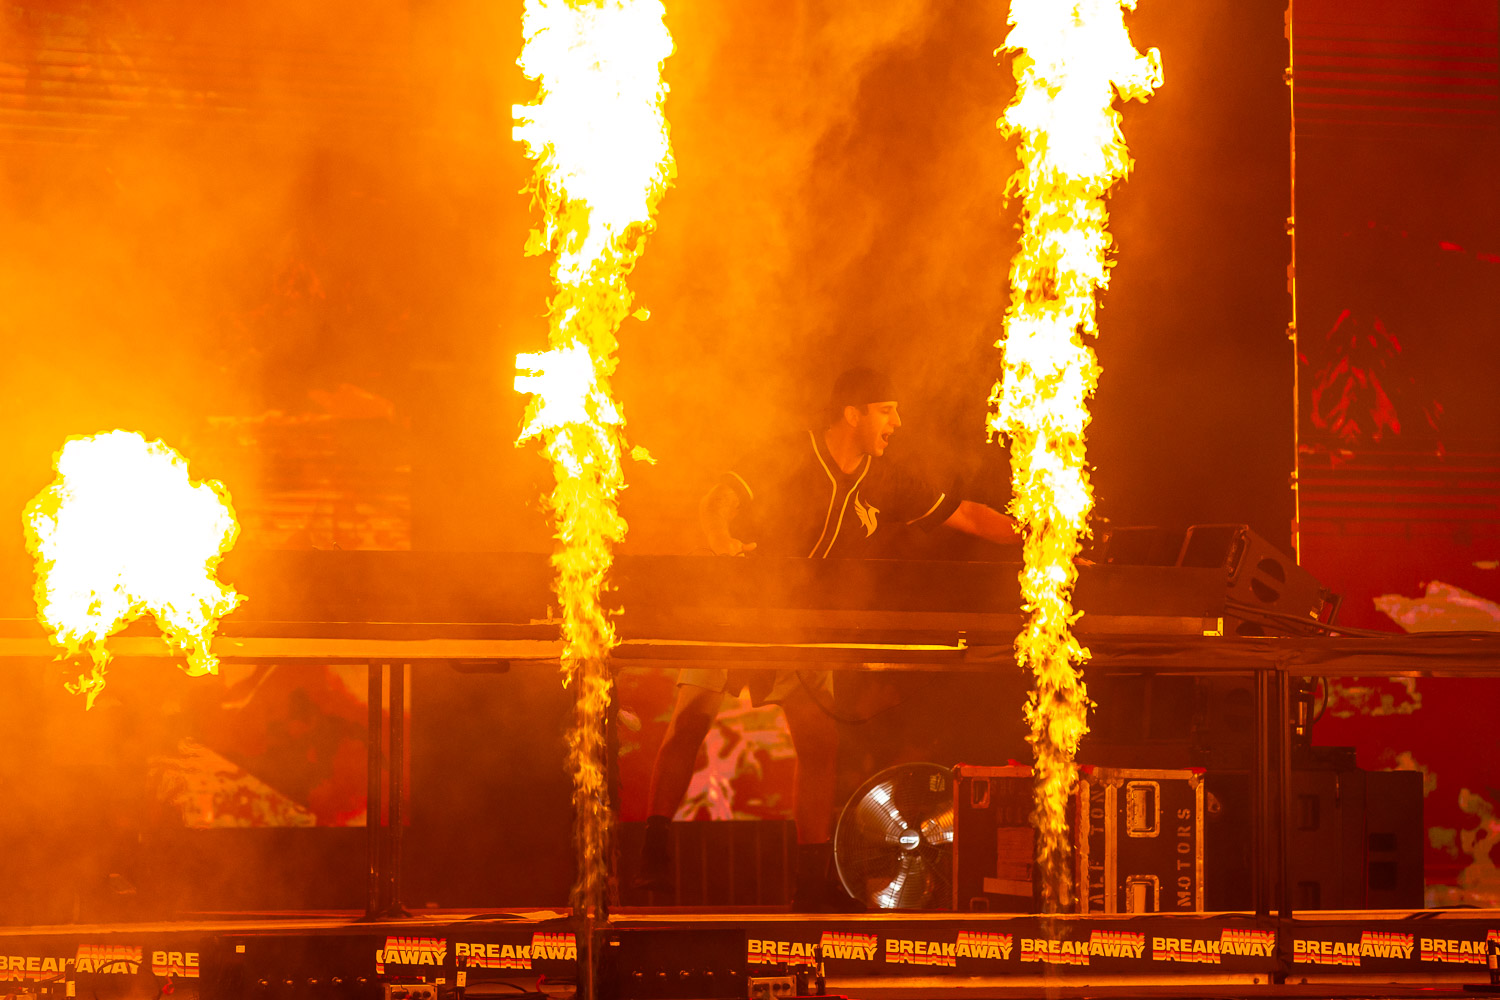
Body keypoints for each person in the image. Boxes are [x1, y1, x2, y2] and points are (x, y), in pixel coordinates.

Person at [637, 367, 1019, 909]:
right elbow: (718, 499)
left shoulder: (887, 479)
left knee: (819, 744)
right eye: (887, 410)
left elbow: (969, 517)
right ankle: (653, 856)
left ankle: (809, 884)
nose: (898, 422)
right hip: (742, 611)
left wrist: (1039, 532)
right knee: (690, 721)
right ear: (853, 413)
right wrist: (722, 542)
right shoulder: (790, 451)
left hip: (803, 624)